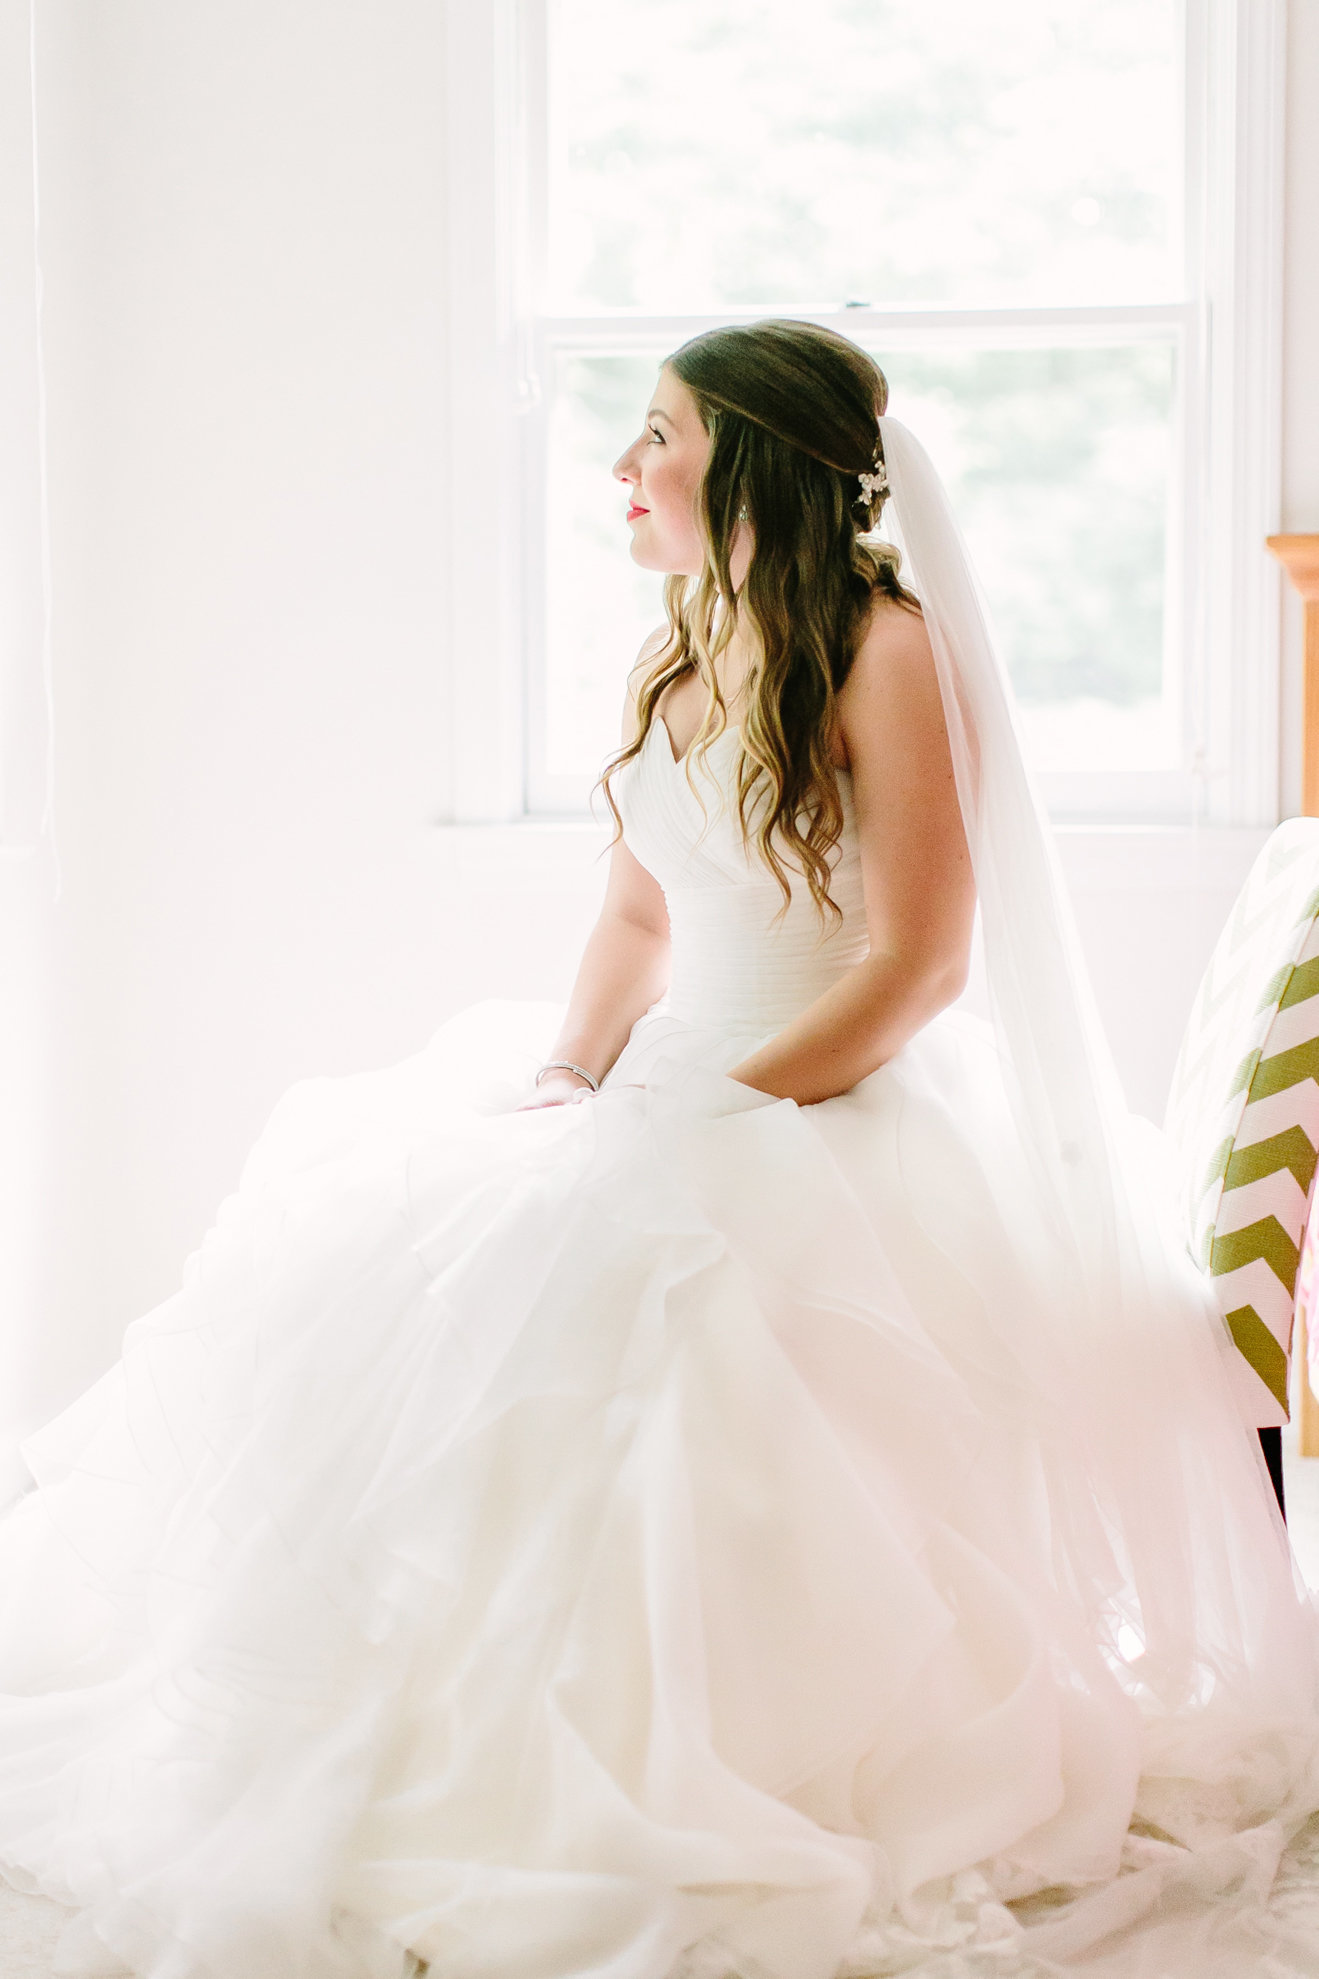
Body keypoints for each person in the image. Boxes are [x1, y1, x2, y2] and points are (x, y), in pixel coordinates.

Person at [1, 318, 1318, 1979]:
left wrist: (735, 1110)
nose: (624, 468)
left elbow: (919, 957)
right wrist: (574, 1073)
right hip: (674, 1076)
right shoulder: (670, 650)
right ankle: (453, 1727)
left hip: (823, 1090)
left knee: (662, 1331)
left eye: (658, 435)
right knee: (425, 1263)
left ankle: (719, 1750)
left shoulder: (882, 649)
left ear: (751, 461)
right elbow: (638, 904)